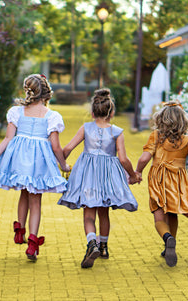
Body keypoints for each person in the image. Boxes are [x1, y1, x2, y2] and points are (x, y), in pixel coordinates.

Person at [0, 74, 70, 261]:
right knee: (35, 200)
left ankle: (19, 230)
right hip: (39, 162)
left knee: (24, 193)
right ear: (46, 93)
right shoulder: (52, 116)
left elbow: (8, 138)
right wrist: (63, 164)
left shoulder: (17, 112)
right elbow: (56, 146)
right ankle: (32, 243)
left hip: (18, 159)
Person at [58, 88, 139, 269]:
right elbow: (124, 159)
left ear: (93, 112)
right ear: (112, 113)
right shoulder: (117, 131)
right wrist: (133, 175)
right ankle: (103, 247)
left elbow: (68, 148)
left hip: (86, 177)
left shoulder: (86, 128)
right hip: (107, 179)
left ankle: (91, 243)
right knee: (104, 213)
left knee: (88, 214)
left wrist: (61, 164)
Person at [135, 100, 188, 267]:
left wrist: (137, 172)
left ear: (161, 119)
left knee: (159, 216)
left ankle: (167, 238)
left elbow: (145, 157)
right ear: (183, 121)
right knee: (172, 213)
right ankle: (170, 245)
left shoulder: (156, 136)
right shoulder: (187, 140)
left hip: (158, 180)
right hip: (177, 181)